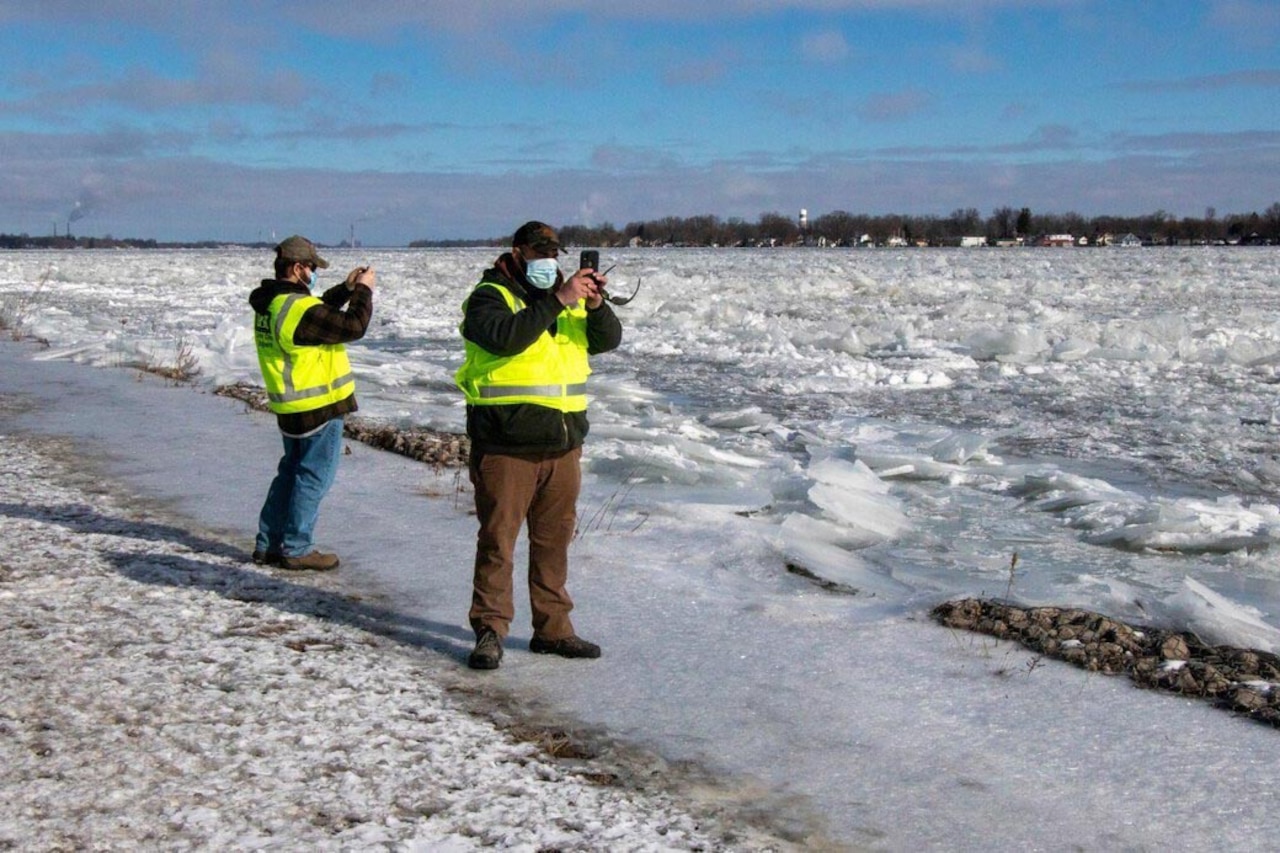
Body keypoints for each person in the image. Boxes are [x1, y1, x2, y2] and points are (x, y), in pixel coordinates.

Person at [455, 221, 623, 669]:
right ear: (518, 252)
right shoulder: (490, 296)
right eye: (539, 253)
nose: (549, 262)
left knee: (554, 543)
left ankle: (553, 630)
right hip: (506, 445)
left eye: (554, 254)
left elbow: (607, 341)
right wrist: (558, 299)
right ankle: (490, 631)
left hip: (563, 446)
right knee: (498, 541)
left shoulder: (567, 301)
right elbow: (504, 337)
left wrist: (596, 305)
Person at [249, 235, 375, 571]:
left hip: (291, 407)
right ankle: (296, 547)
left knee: (290, 474)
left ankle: (269, 543)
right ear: (296, 268)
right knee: (312, 478)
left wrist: (346, 290)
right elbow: (352, 326)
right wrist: (364, 291)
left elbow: (317, 312)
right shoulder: (296, 309)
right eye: (311, 267)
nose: (314, 273)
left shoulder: (274, 304)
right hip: (317, 408)